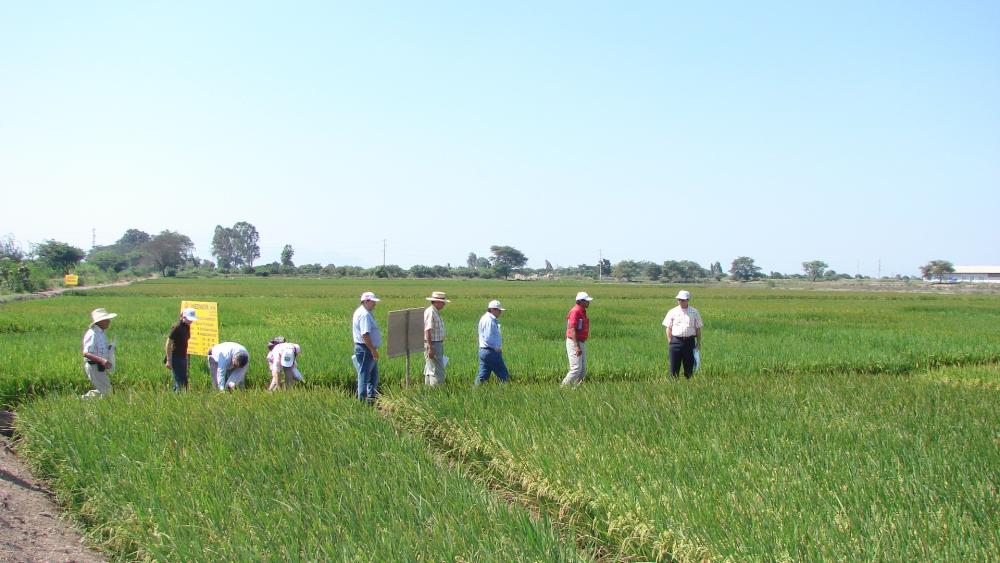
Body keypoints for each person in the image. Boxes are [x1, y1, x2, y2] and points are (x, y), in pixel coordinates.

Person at [662, 290, 703, 378]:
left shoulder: (694, 312)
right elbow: (668, 328)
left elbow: (698, 328)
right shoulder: (672, 312)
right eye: (679, 299)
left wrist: (698, 342)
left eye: (682, 300)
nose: (680, 301)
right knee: (673, 369)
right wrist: (670, 342)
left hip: (689, 342)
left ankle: (688, 386)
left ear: (688, 300)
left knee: (689, 369)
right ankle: (673, 387)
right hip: (675, 342)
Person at [352, 291, 382, 403]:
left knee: (373, 375)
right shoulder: (364, 314)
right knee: (364, 376)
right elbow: (365, 334)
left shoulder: (364, 312)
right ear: (366, 301)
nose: (375, 304)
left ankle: (371, 397)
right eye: (373, 302)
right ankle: (362, 400)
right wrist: (373, 350)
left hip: (367, 349)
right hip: (366, 349)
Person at [81, 308, 117, 398]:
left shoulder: (101, 333)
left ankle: (81, 400)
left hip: (99, 366)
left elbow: (99, 349)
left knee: (103, 389)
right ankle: (107, 408)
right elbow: (86, 353)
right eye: (107, 320)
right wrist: (102, 361)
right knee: (108, 391)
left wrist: (109, 348)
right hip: (93, 366)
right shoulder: (92, 334)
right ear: (100, 321)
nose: (109, 321)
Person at [562, 291, 593, 386]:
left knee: (582, 370)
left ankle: (576, 391)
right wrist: (577, 347)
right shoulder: (575, 311)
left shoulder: (582, 311)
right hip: (574, 342)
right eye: (587, 301)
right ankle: (562, 389)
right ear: (580, 301)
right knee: (576, 368)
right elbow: (572, 329)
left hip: (581, 342)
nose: (589, 302)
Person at [475, 300, 509, 384]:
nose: (500, 312)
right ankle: (503, 394)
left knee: (483, 375)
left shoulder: (486, 318)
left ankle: (475, 391)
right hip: (491, 352)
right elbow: (488, 337)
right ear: (493, 310)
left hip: (484, 351)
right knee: (503, 375)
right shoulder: (489, 320)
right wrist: (496, 348)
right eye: (499, 310)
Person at [164, 307, 198, 391]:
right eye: (189, 319)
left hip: (182, 357)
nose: (191, 321)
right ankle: (179, 400)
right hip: (175, 357)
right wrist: (168, 360)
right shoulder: (177, 327)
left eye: (192, 320)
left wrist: (186, 357)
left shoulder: (187, 326)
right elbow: (168, 343)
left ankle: (175, 398)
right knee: (181, 383)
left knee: (181, 381)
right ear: (183, 317)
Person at [423, 291, 450, 386]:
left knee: (430, 368)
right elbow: (427, 330)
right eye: (443, 302)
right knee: (437, 370)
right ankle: (437, 391)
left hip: (435, 343)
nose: (444, 304)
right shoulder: (431, 312)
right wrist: (430, 348)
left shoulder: (434, 312)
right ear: (437, 302)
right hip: (433, 344)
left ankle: (429, 391)